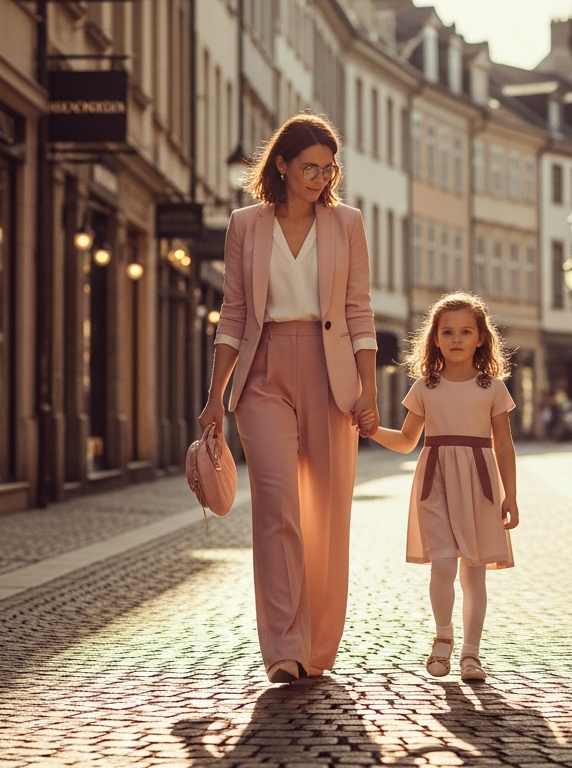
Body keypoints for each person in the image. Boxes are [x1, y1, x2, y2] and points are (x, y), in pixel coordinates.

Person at [197, 113, 378, 685]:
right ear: (280, 164)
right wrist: (214, 398)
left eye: (327, 170)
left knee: (326, 513)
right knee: (277, 508)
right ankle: (283, 646)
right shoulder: (245, 225)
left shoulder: (346, 224)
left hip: (331, 375)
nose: (320, 179)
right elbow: (232, 314)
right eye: (308, 168)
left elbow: (358, 311)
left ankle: (318, 644)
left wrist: (368, 389)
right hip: (264, 373)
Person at [360, 292, 518, 682]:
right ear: (434, 338)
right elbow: (406, 440)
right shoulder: (425, 387)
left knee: (474, 572)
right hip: (435, 483)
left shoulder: (492, 388)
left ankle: (471, 654)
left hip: (480, 484)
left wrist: (510, 495)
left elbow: (504, 444)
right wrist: (372, 431)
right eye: (447, 331)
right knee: (444, 562)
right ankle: (443, 639)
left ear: (481, 337)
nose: (456, 339)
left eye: (466, 331)